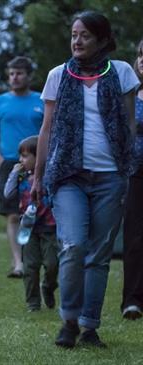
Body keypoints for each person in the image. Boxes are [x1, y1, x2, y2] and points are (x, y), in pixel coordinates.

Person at [31, 11, 140, 348]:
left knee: (99, 255)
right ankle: (68, 321)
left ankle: (89, 326)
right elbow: (46, 130)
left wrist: (126, 168)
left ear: (103, 39)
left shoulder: (121, 72)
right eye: (74, 34)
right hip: (68, 176)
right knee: (74, 245)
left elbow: (128, 125)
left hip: (110, 176)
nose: (77, 41)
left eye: (85, 36)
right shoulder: (58, 75)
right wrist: (37, 177)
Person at [0, 56, 44, 278]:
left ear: (29, 75)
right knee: (12, 214)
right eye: (11, 73)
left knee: (39, 211)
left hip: (38, 163)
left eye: (19, 73)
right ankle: (18, 263)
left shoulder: (41, 100)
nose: (14, 77)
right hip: (10, 162)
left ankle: (37, 257)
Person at [4, 136, 58, 312]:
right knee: (30, 266)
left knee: (52, 264)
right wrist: (14, 173)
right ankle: (33, 303)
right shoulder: (21, 178)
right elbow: (8, 194)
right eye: (20, 156)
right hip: (28, 229)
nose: (21, 160)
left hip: (50, 227)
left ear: (39, 156)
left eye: (25, 156)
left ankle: (48, 287)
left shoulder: (49, 177)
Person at [121, 39, 143, 320]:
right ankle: (133, 301)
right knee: (135, 237)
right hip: (135, 172)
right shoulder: (130, 95)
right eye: (140, 54)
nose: (142, 61)